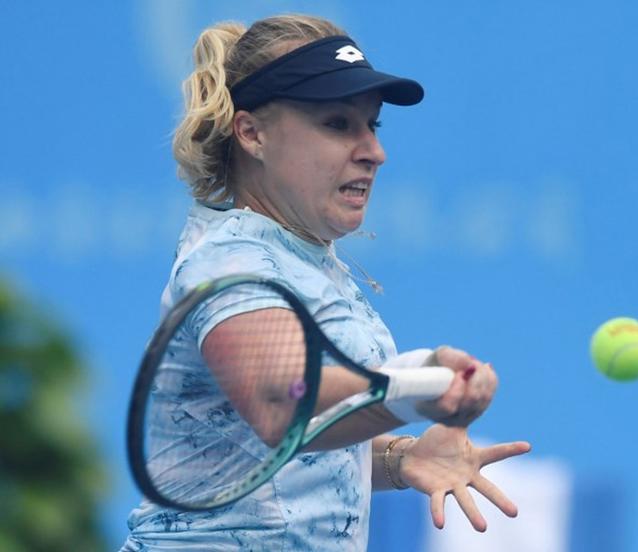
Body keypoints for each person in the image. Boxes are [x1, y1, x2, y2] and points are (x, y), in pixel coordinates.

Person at [122, 14, 530, 551]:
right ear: (252, 133)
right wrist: (420, 385)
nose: (373, 151)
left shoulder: (309, 261)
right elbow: (279, 399)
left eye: (373, 125)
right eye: (338, 124)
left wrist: (400, 457)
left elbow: (299, 451)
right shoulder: (228, 259)